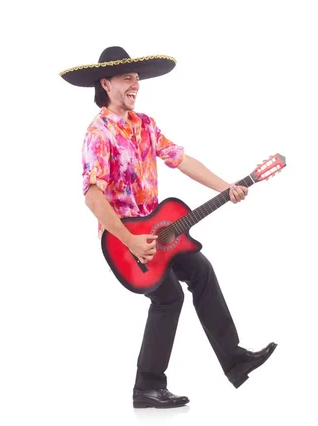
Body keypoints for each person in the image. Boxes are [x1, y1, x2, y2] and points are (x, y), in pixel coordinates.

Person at [60, 46, 277, 408]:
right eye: (127, 78)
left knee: (201, 270)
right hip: (125, 240)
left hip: (160, 232)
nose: (136, 84)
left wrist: (226, 186)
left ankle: (235, 360)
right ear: (106, 84)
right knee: (168, 297)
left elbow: (182, 159)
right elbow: (92, 197)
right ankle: (147, 387)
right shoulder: (98, 134)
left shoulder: (145, 124)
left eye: (137, 77)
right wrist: (129, 239)